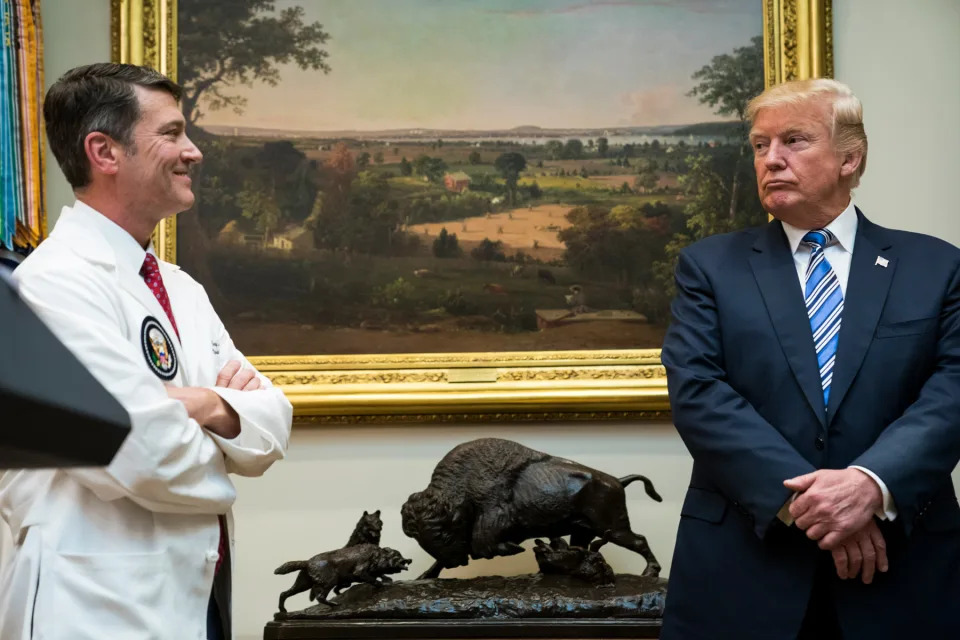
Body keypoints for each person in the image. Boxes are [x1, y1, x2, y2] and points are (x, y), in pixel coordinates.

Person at [0, 63, 293, 640]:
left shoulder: (180, 287)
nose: (195, 152)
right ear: (104, 152)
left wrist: (197, 403)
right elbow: (140, 450)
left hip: (196, 599)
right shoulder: (50, 285)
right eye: (172, 133)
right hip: (94, 610)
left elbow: (274, 424)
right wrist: (220, 415)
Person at [660, 78, 960, 639]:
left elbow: (953, 390)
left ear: (851, 156)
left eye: (794, 140)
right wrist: (817, 508)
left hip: (903, 573)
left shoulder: (937, 267)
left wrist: (872, 485)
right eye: (759, 145)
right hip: (744, 570)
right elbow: (698, 392)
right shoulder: (708, 268)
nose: (771, 159)